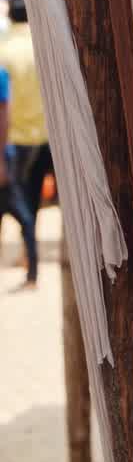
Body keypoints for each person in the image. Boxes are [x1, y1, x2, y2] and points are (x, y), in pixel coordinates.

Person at [0, 0, 51, 226]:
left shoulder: (3, 49)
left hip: (11, 137)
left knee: (6, 202)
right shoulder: (41, 47)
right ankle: (30, 257)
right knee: (32, 200)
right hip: (41, 136)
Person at [0, 61, 38, 291]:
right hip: (9, 153)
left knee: (22, 215)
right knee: (23, 216)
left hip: (5, 156)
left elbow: (4, 117)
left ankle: (33, 272)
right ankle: (32, 272)